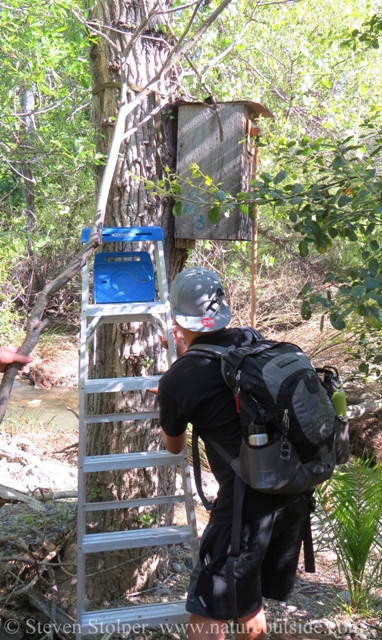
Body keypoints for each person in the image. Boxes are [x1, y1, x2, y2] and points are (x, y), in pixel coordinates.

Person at [157, 267, 310, 640]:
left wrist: (171, 395)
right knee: (247, 599)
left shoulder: (179, 378)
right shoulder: (252, 341)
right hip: (294, 494)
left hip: (245, 508)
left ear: (176, 319)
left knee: (210, 606)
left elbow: (173, 446)